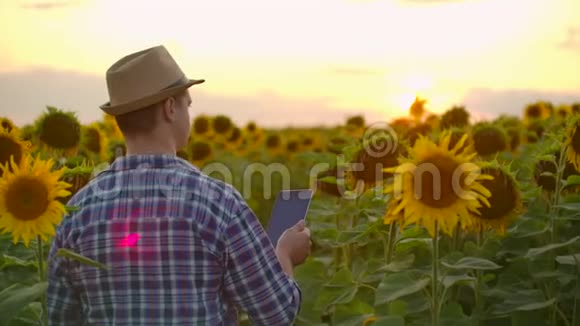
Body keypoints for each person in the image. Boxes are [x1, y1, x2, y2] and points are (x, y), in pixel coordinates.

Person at [47, 45, 311, 325]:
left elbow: (59, 318)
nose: (189, 113)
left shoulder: (77, 212)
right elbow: (277, 313)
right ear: (170, 108)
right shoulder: (218, 203)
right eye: (188, 104)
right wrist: (284, 254)